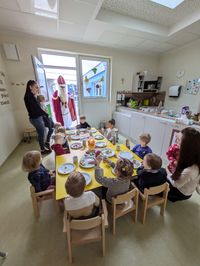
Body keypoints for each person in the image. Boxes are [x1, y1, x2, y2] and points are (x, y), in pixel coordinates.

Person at [167, 127, 200, 202]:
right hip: (184, 185)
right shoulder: (193, 156)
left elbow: (176, 184)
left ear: (186, 147)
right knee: (159, 172)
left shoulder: (191, 170)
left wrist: (167, 172)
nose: (176, 143)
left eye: (178, 141)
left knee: (159, 178)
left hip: (180, 193)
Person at [24, 80, 51, 154]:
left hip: (37, 118)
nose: (37, 89)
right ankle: (42, 149)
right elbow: (37, 109)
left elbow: (37, 107)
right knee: (41, 134)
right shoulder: (28, 96)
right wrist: (45, 114)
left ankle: (43, 146)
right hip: (35, 118)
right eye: (36, 87)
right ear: (30, 87)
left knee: (41, 133)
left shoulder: (31, 96)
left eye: (38, 87)